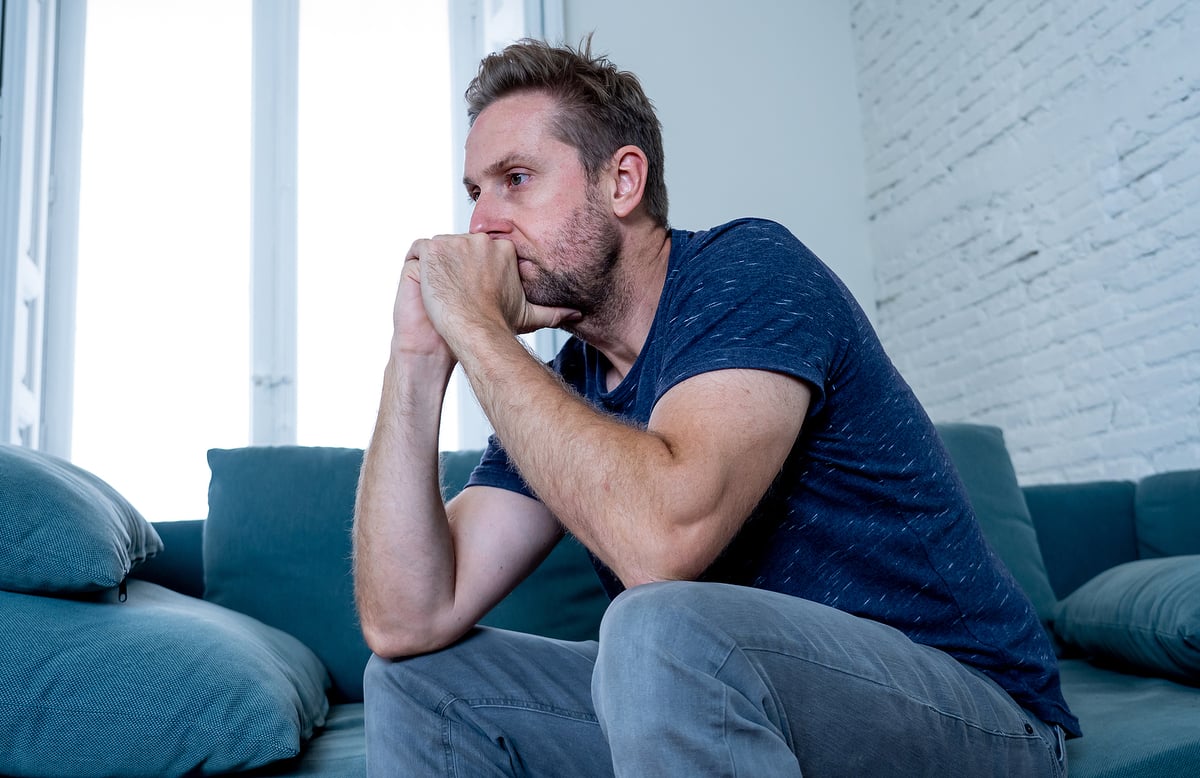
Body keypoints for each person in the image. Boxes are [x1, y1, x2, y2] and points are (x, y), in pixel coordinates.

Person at [353, 37, 1079, 777]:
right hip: (740, 700)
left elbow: (662, 541)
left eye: (516, 179)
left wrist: (476, 330)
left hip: (977, 712)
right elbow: (407, 620)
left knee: (655, 622)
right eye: (476, 192)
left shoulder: (748, 272)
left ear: (623, 182)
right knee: (418, 683)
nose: (482, 226)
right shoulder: (564, 385)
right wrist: (416, 359)